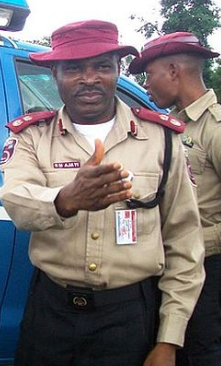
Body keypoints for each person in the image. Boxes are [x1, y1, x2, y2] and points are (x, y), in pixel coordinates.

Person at [0, 20, 205, 366]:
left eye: (102, 67)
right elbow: (16, 202)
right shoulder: (30, 137)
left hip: (129, 318)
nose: (89, 78)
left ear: (118, 70)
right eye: (74, 68)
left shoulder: (162, 140)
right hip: (51, 314)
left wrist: (169, 339)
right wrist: (66, 200)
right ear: (54, 74)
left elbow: (185, 243)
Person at [129, 32, 221, 366]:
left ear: (172, 71)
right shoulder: (174, 126)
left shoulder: (215, 128)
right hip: (171, 261)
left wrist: (197, 239)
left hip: (206, 268)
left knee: (195, 352)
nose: (147, 85)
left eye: (148, 75)